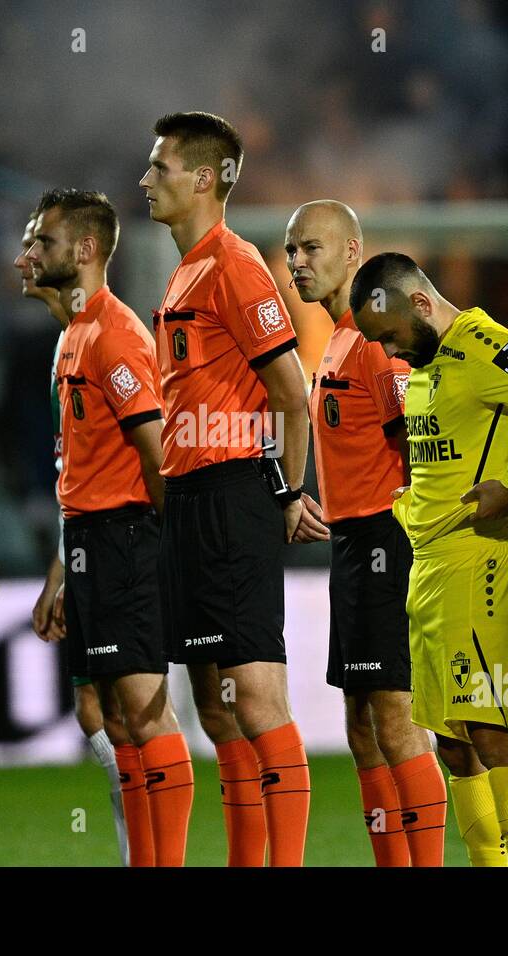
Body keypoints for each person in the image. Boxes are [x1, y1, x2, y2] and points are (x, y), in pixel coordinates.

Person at [350, 251, 508, 866]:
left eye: (393, 337)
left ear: (422, 305)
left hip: (481, 564)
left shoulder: (481, 341)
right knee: (454, 746)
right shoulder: (425, 365)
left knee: (495, 733)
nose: (392, 354)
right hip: (429, 569)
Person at [142, 111, 323, 865]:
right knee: (218, 712)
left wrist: (287, 489)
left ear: (206, 179)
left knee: (255, 698)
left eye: (161, 168)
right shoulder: (185, 270)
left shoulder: (234, 265)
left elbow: (291, 388)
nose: (146, 180)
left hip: (232, 494)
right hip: (189, 500)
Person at [28, 187, 194, 866]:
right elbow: (81, 468)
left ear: (86, 250)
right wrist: (63, 569)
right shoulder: (74, 336)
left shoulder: (116, 336)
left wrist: (169, 557)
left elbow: (158, 460)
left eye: (42, 241)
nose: (27, 254)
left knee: (144, 714)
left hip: (127, 538)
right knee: (109, 716)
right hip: (91, 542)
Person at [284, 200, 448, 866]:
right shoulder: (337, 342)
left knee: (397, 718)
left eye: (312, 248)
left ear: (354, 254)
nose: (297, 262)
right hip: (354, 544)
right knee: (361, 727)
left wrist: (413, 530)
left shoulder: (378, 342)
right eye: (292, 250)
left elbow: (420, 442)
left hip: (388, 538)